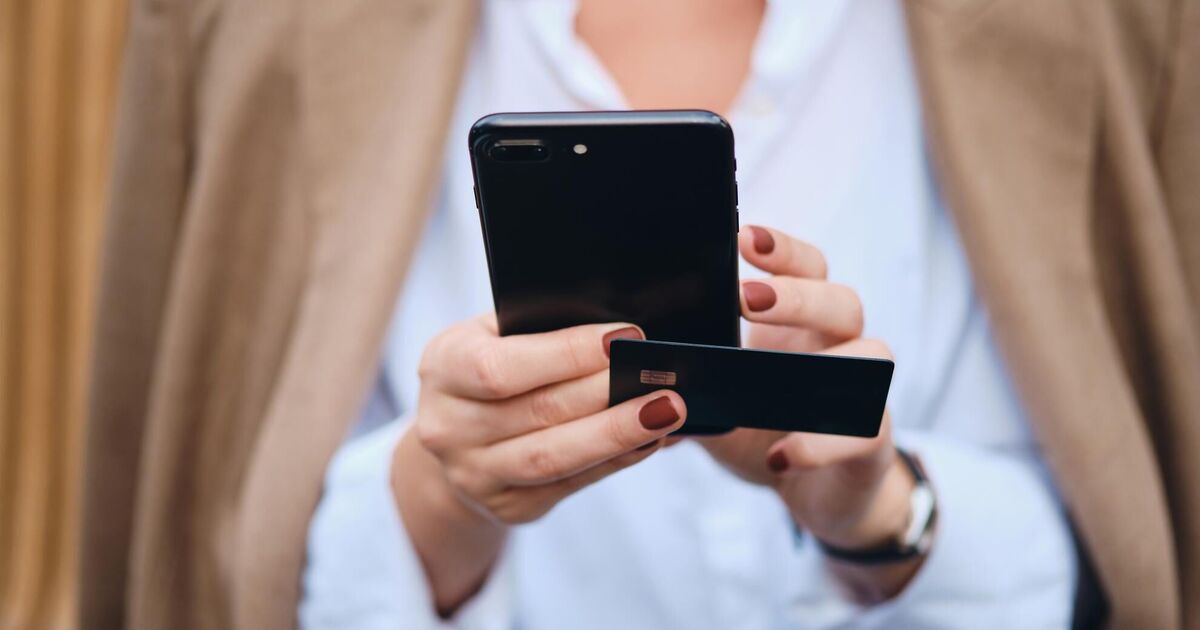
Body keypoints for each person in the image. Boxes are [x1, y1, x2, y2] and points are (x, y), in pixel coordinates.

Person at [81, 0, 1200, 629]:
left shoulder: (1118, 28)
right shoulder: (247, 26)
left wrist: (881, 513)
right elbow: (193, 544)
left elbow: (1133, 539)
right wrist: (443, 494)